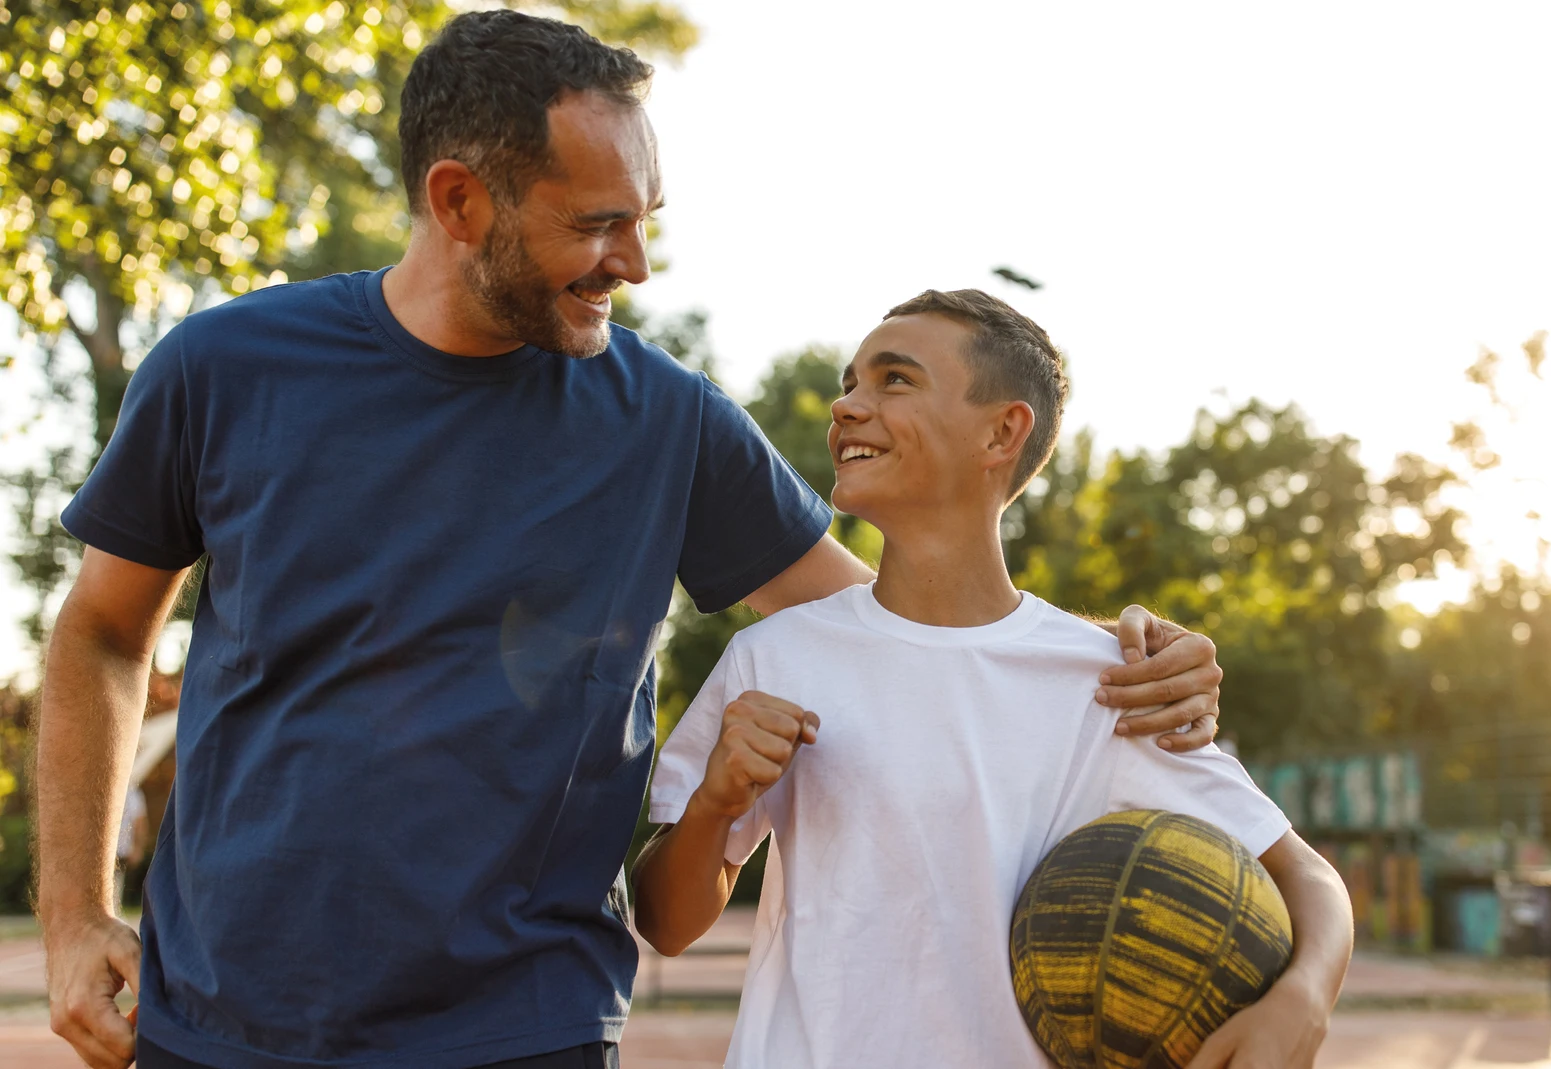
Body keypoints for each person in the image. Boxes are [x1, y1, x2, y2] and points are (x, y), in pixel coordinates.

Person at [33, 12, 1227, 1069]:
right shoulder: (225, 368)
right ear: (459, 202)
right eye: (598, 225)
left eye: (645, 221)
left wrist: (1114, 661)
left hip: (525, 1029)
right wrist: (77, 913)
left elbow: (907, 633)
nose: (636, 264)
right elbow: (97, 634)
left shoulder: (670, 423)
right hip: (220, 1021)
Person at [633, 290, 1354, 1069]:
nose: (847, 406)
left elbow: (1306, 874)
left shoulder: (1108, 682)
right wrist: (715, 804)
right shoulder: (773, 656)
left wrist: (1304, 997)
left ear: (1003, 431)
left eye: (894, 380)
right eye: (850, 383)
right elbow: (665, 922)